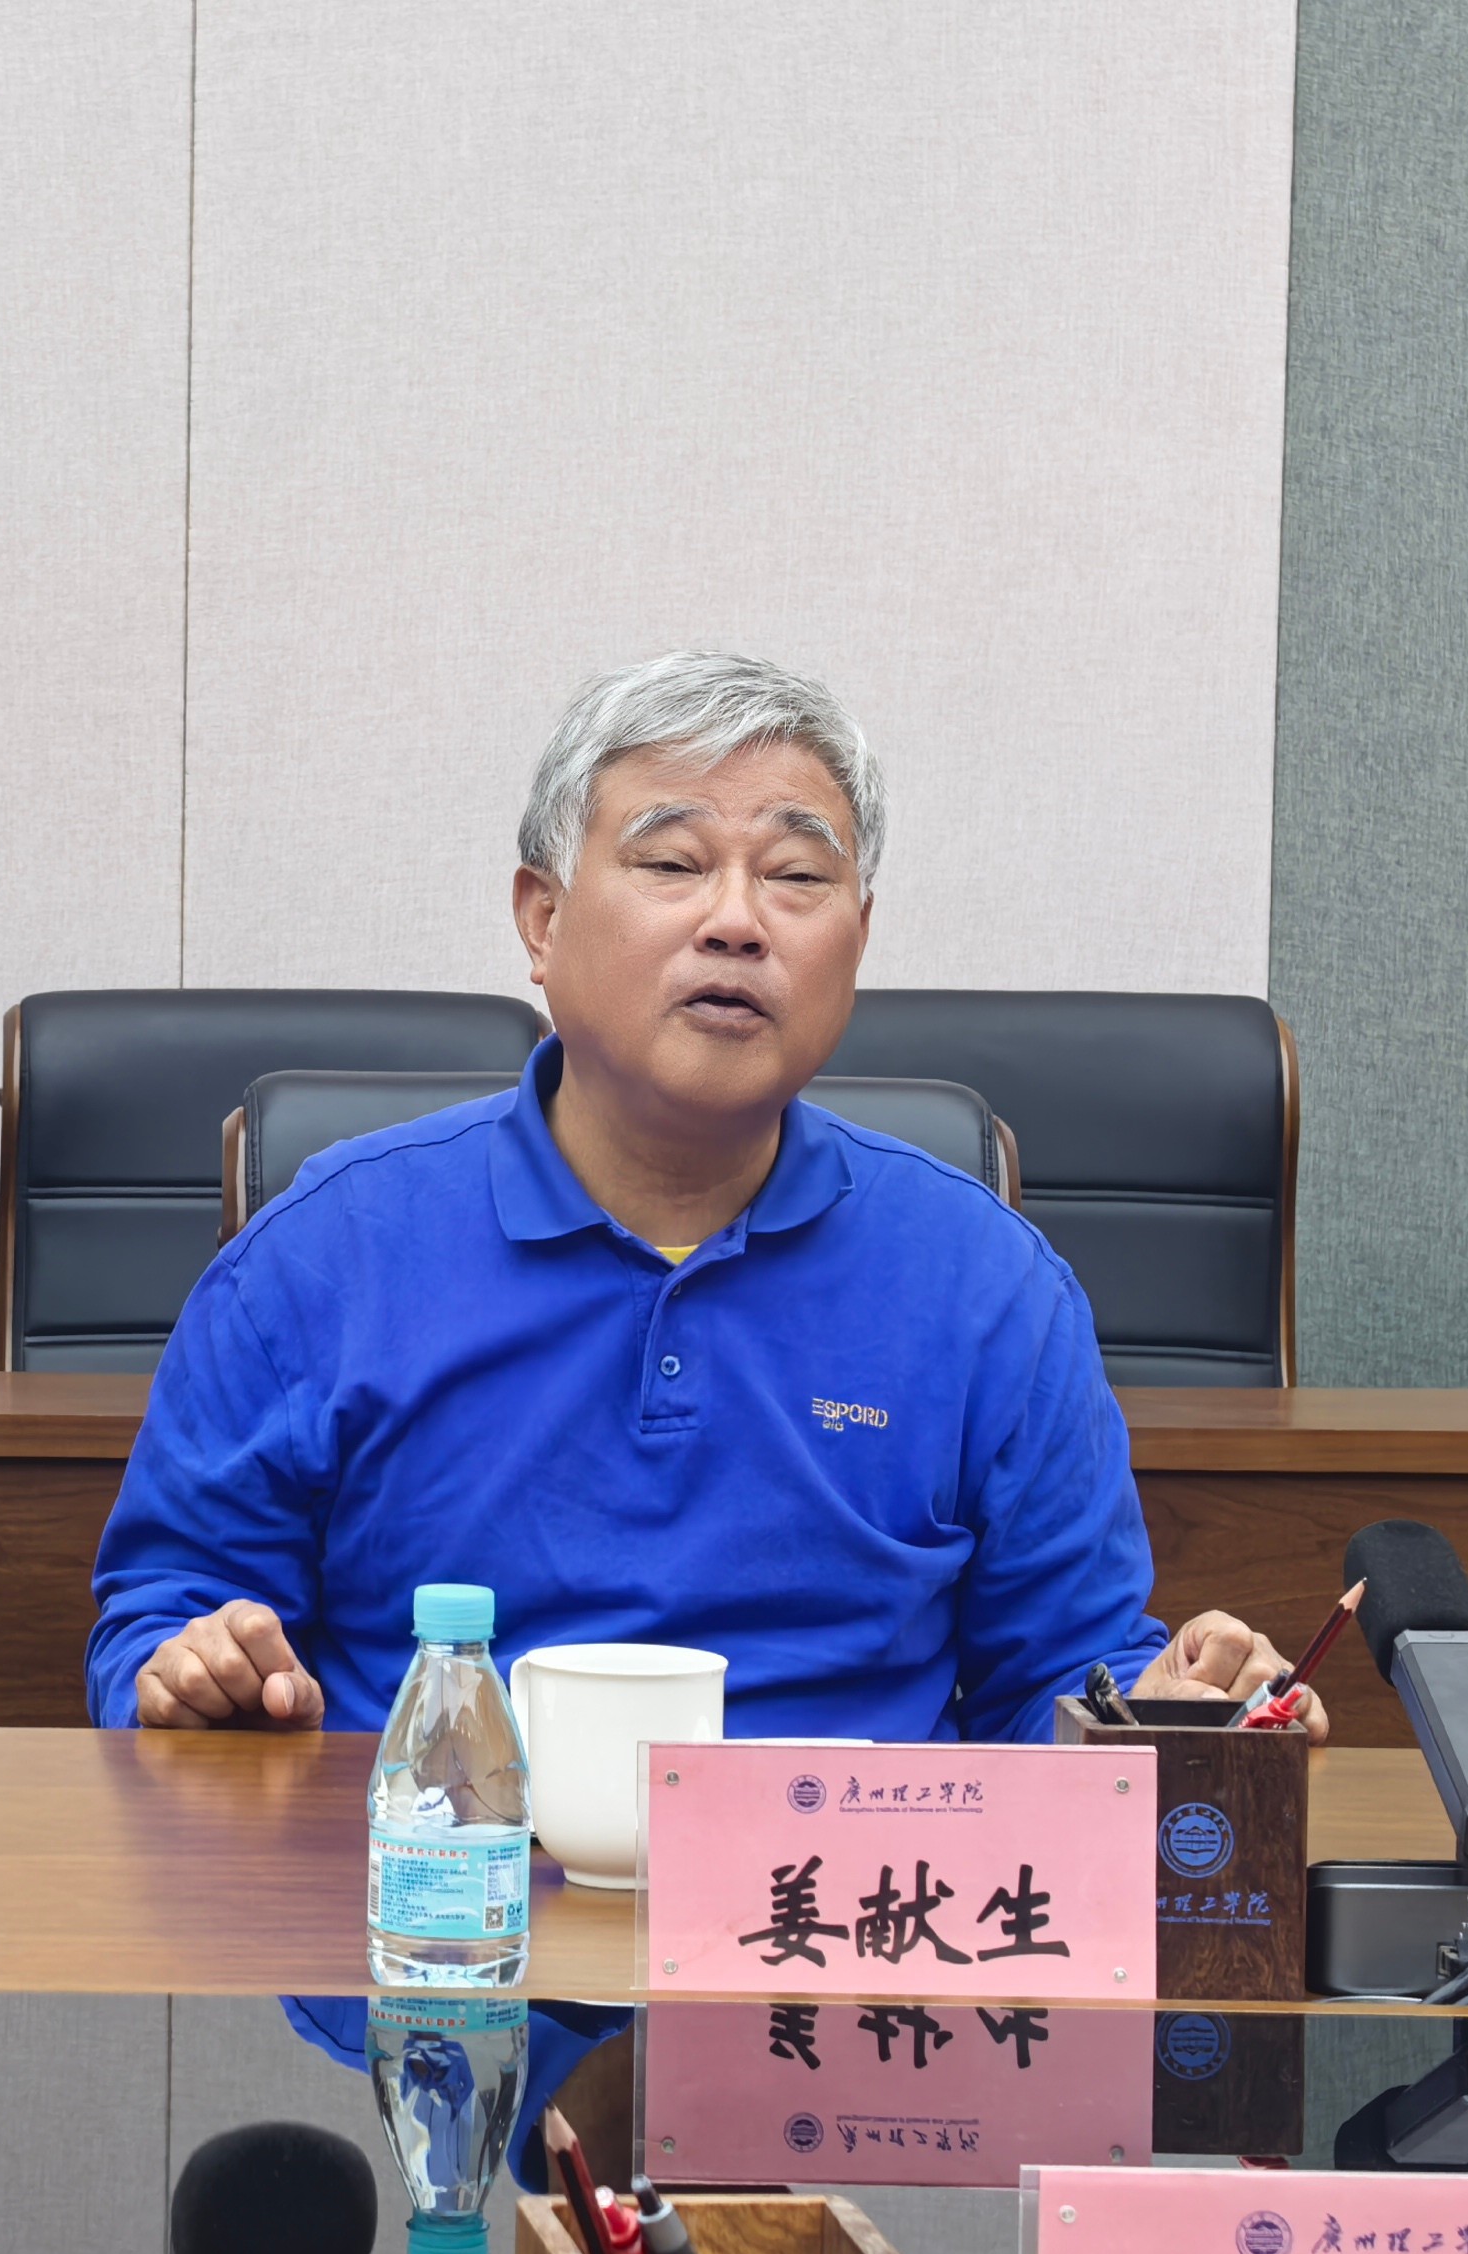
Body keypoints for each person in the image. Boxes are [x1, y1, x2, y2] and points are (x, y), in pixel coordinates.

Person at [87, 647, 1326, 1747]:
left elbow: (1054, 1676)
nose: (737, 922)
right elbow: (165, 1616)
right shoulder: (322, 1255)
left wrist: (1162, 1709)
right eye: (672, 863)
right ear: (542, 919)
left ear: (857, 938)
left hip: (838, 1916)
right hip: (451, 1913)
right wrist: (191, 1674)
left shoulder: (987, 1286)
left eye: (796, 876)